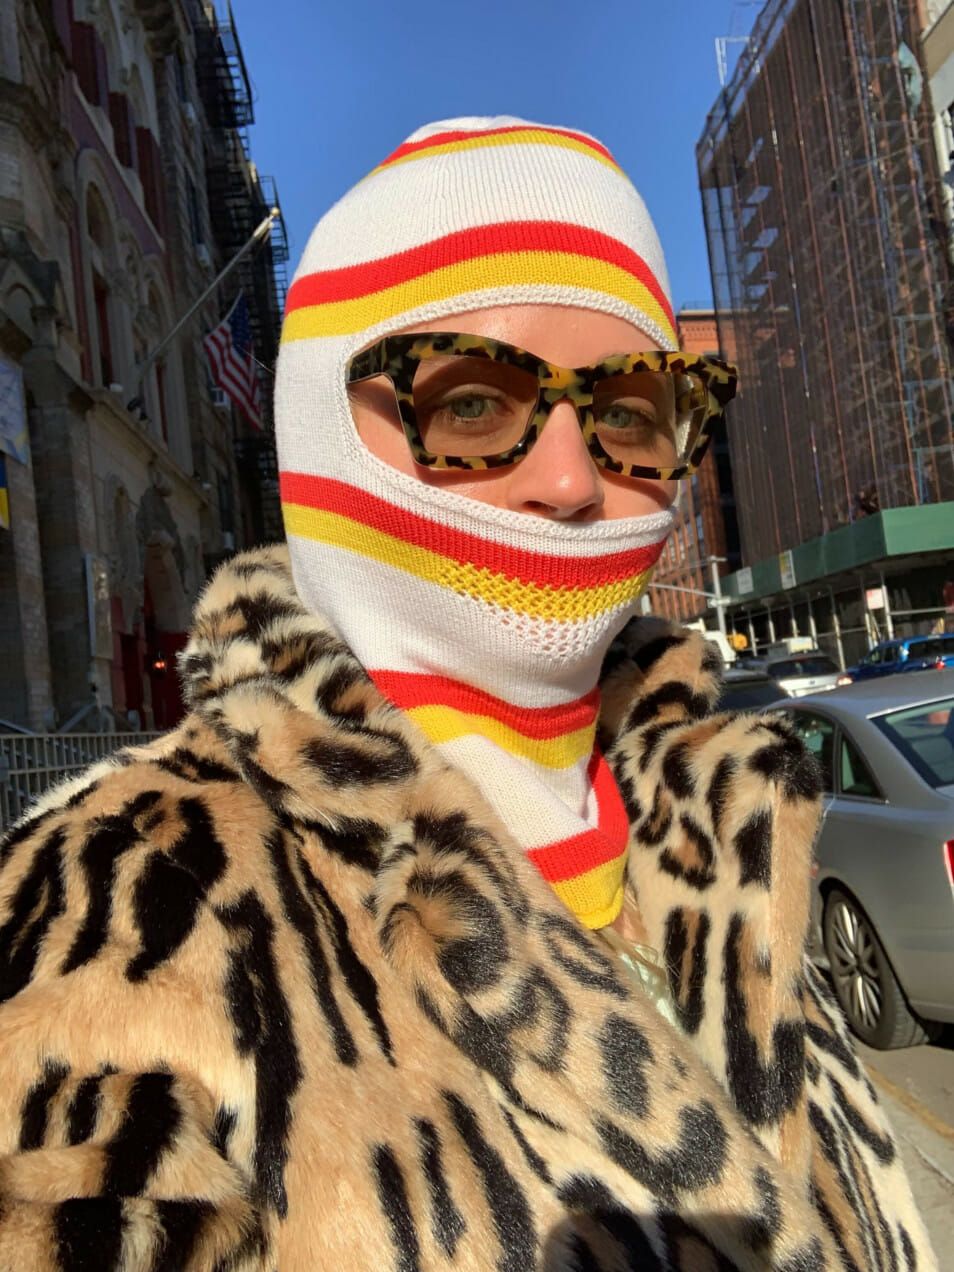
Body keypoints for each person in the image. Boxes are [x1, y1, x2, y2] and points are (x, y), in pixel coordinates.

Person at [0, 117, 933, 1270]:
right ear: (320, 435)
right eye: (474, 404)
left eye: (630, 411)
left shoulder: (721, 810)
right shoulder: (131, 914)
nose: (572, 480)